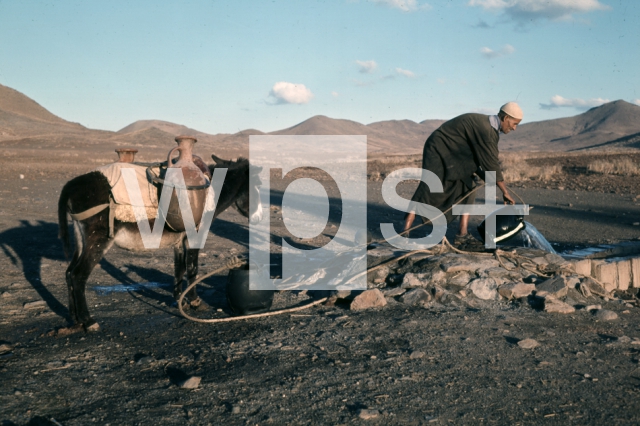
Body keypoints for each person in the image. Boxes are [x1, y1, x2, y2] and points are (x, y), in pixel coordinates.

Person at [403, 102, 522, 246]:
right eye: (514, 124)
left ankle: (462, 234)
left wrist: (491, 181)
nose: (515, 128)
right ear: (505, 118)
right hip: (438, 148)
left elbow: (481, 161)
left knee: (470, 185)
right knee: (428, 186)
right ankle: (405, 232)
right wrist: (504, 191)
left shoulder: (490, 130)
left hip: (456, 154)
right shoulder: (487, 131)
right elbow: (491, 164)